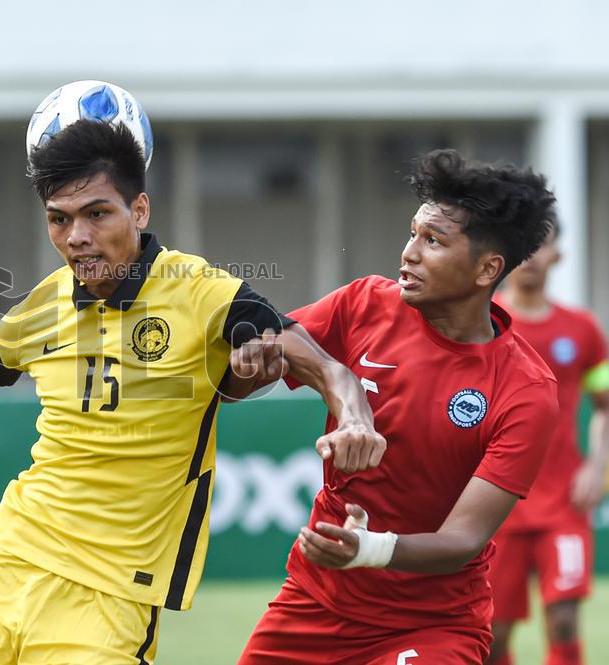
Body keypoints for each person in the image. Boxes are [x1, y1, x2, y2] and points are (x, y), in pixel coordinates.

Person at [0, 119, 385, 665]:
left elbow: (326, 365)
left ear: (138, 211)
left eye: (97, 214)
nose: (77, 237)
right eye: (59, 220)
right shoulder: (42, 307)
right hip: (8, 563)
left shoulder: (202, 291)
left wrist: (354, 416)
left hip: (112, 597)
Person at [237, 149, 559, 664]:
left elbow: (463, 538)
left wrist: (370, 549)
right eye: (412, 233)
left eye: (432, 241)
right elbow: (276, 344)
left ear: (487, 269)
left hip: (433, 625)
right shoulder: (365, 303)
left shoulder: (525, 388)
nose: (408, 253)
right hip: (316, 603)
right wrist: (261, 365)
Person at [486, 221, 609, 665]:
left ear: (557, 255)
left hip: (563, 504)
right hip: (495, 504)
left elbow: (605, 404)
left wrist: (598, 466)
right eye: (525, 245)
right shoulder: (484, 323)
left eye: (543, 246)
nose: (533, 256)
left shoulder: (582, 331)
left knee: (563, 623)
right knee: (493, 636)